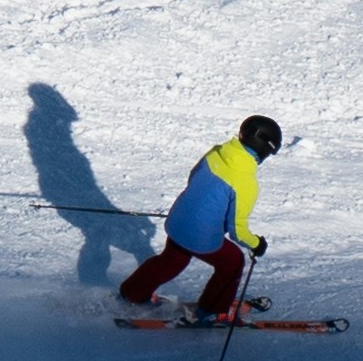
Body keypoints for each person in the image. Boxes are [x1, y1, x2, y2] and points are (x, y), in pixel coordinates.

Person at [114, 112, 283, 324]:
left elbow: (194, 177)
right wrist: (257, 244)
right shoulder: (246, 182)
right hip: (200, 235)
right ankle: (213, 311)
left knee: (171, 261)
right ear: (264, 149)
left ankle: (132, 294)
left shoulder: (217, 153)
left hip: (179, 218)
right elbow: (238, 231)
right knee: (232, 262)